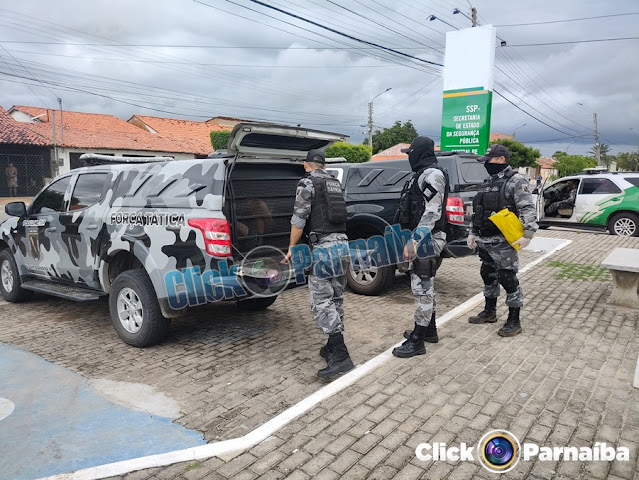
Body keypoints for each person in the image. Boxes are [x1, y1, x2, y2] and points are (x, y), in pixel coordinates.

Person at [283, 149, 354, 378]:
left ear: (307, 164)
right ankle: (332, 347)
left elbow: (299, 218)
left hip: (323, 249)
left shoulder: (307, 183)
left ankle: (340, 354)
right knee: (336, 297)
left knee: (320, 301)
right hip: (342, 246)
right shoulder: (335, 183)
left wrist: (292, 247)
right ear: (323, 164)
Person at [467, 144, 538, 337]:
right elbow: (478, 211)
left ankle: (514, 320)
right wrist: (473, 232)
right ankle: (490, 312)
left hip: (503, 241)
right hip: (485, 240)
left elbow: (527, 208)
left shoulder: (515, 181)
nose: (486, 165)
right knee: (487, 274)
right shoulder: (488, 182)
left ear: (500, 159)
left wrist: (528, 234)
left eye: (489, 160)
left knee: (507, 278)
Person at [394, 136, 448, 358]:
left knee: (422, 288)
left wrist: (414, 240)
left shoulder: (433, 175)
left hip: (427, 238)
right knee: (425, 286)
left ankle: (417, 341)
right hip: (422, 236)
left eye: (410, 153)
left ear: (420, 153)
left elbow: (432, 211)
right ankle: (430, 331)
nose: (409, 157)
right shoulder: (421, 175)